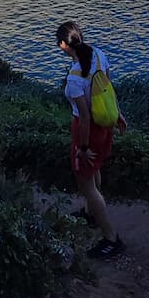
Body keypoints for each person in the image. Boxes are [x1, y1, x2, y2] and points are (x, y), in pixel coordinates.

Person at [56, 19, 127, 259]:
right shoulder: (99, 54)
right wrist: (118, 114)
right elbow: (108, 87)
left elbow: (84, 117)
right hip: (105, 124)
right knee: (95, 168)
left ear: (62, 46)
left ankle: (111, 238)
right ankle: (90, 213)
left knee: (86, 183)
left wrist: (82, 148)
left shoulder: (74, 78)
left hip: (87, 131)